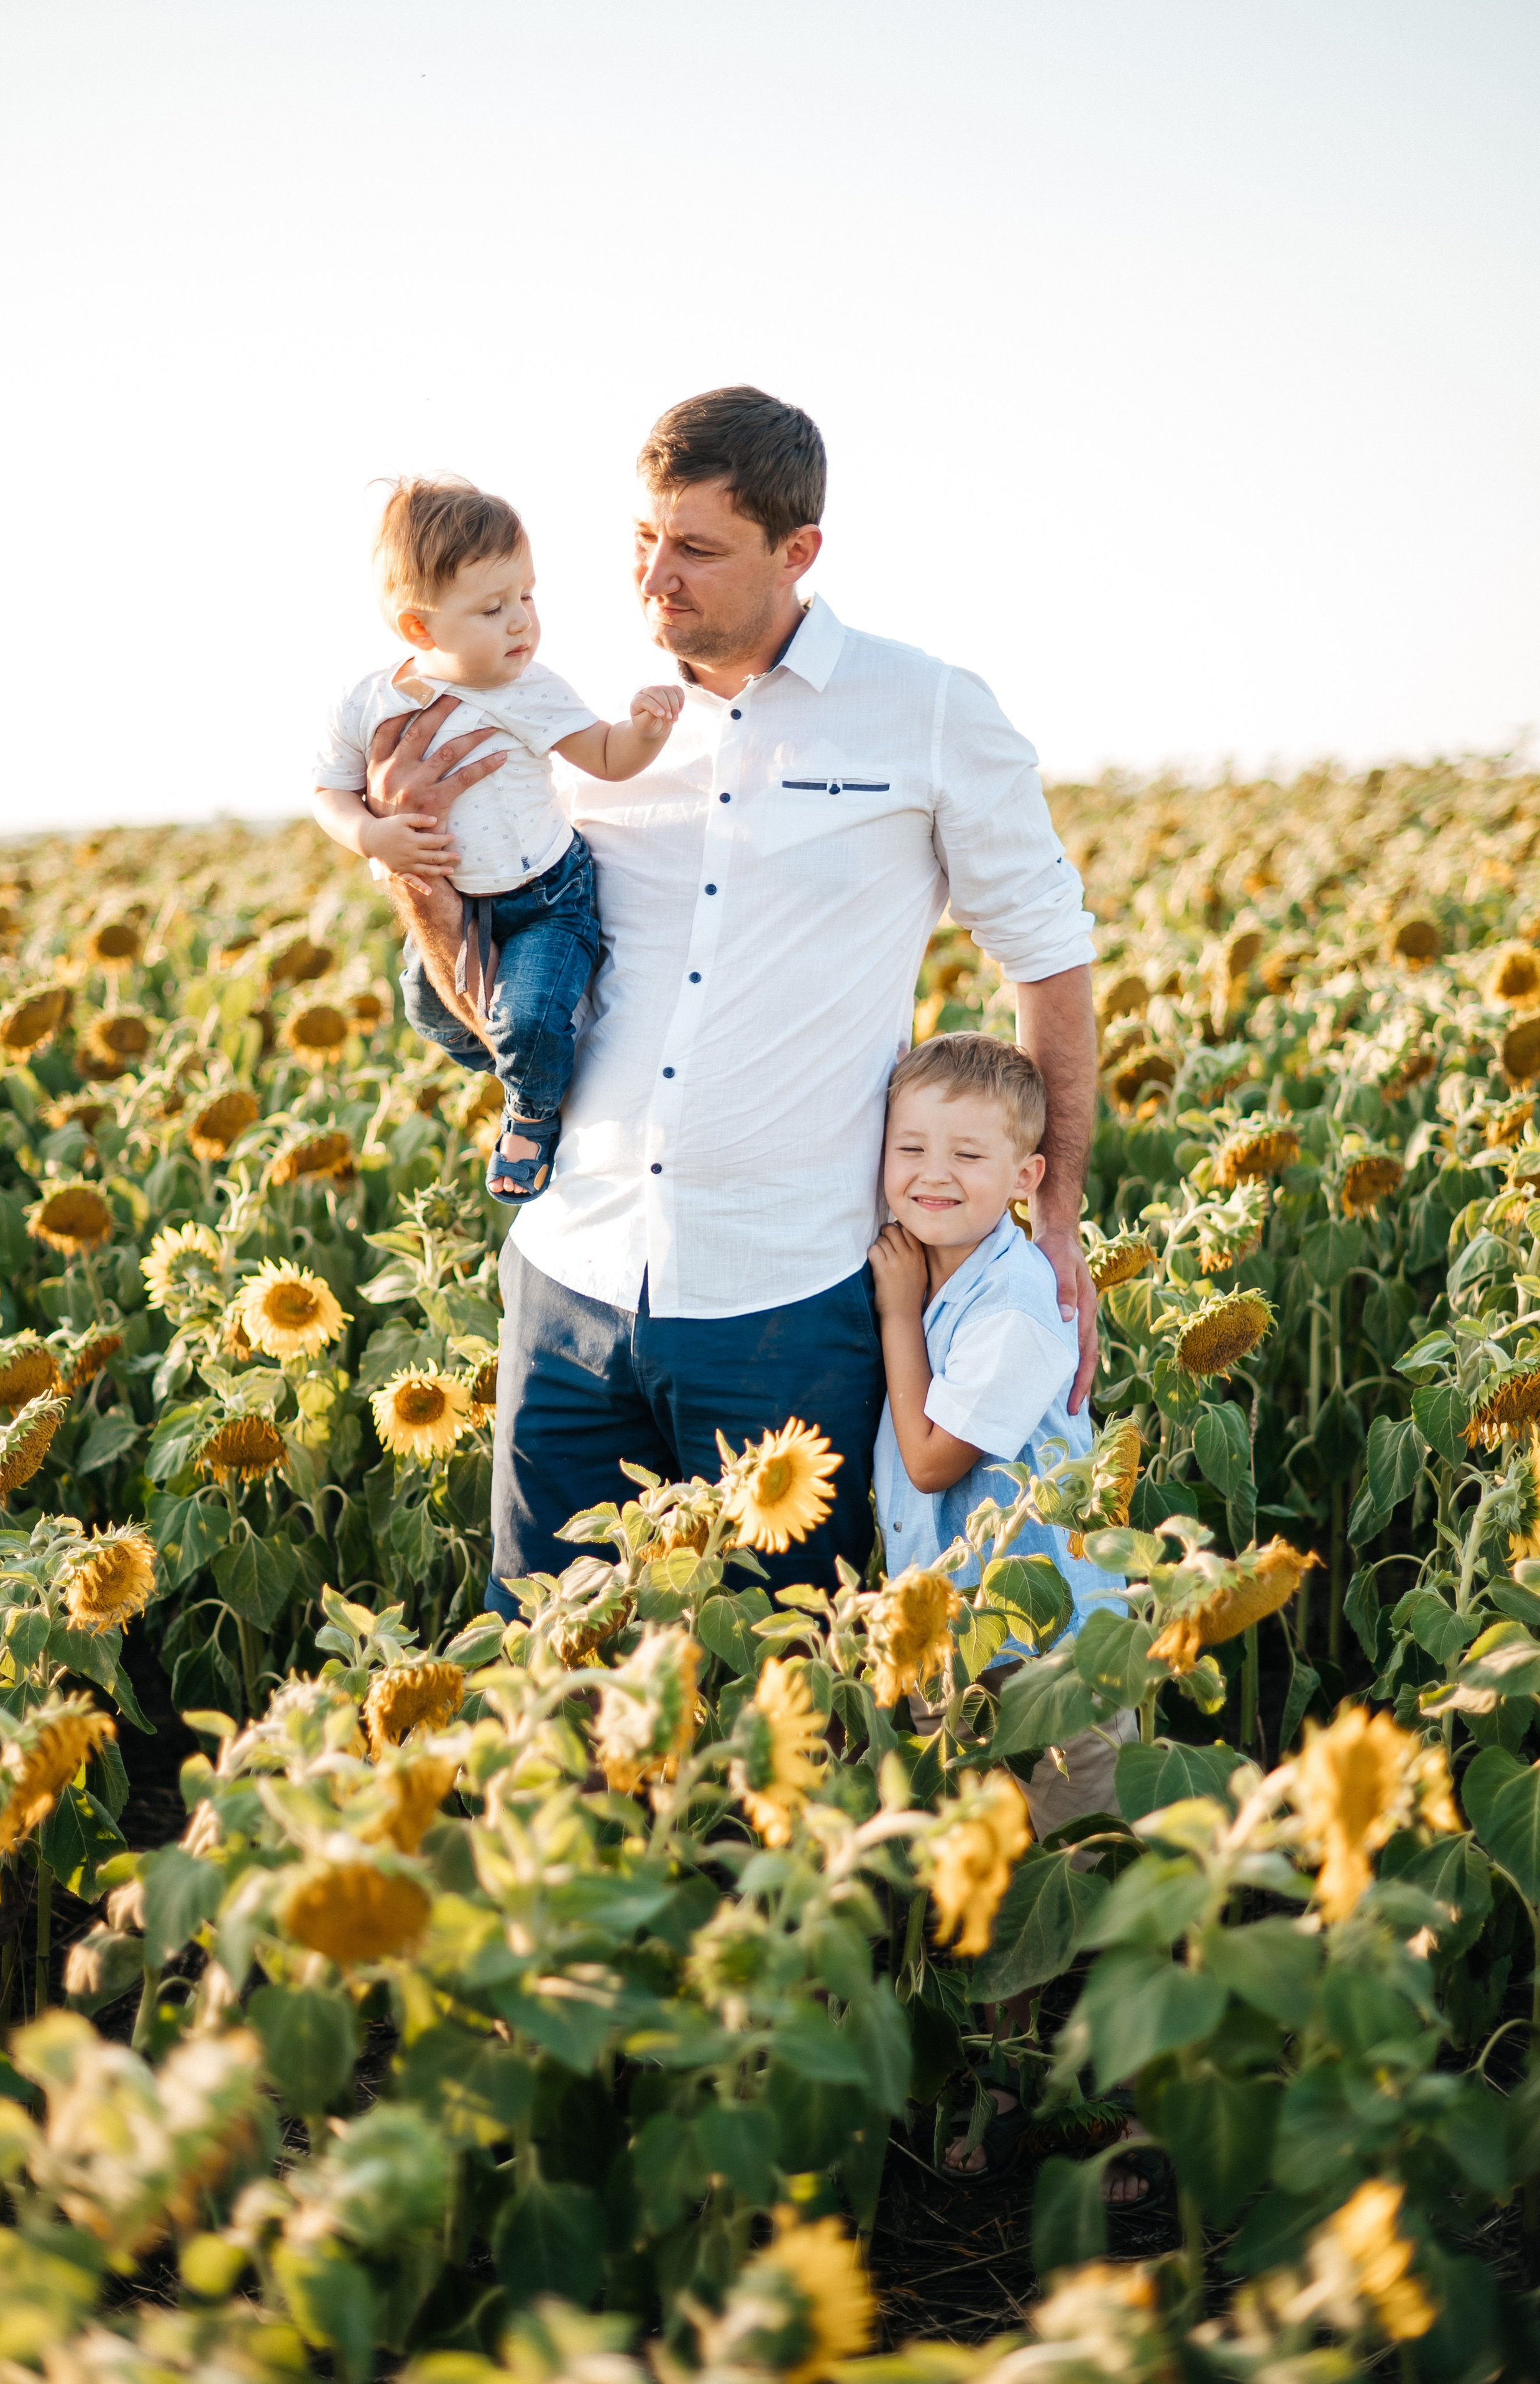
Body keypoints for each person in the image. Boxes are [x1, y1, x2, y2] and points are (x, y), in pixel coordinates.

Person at [362, 387, 1101, 1614]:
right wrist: (425, 905)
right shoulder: (581, 739)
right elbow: (497, 1018)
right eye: (641, 543)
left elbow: (1048, 961)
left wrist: (1057, 1216)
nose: (656, 579)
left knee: (776, 1685)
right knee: (553, 1675)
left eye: (697, 549)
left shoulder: (924, 711)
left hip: (787, 1298)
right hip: (569, 1276)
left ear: (796, 552)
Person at [869, 1035, 1153, 2201]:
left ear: (1028, 1179)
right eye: (911, 1148)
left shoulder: (1018, 1306)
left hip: (1058, 1657)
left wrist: (893, 1312)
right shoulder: (941, 1261)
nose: (932, 1174)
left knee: (1086, 1881)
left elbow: (935, 1459)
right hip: (964, 1642)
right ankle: (994, 2081)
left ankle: (1105, 2106)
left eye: (969, 1155)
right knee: (989, 1886)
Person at [311, 475, 684, 1201]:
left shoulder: (531, 689)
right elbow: (330, 791)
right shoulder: (366, 701)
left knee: (531, 1017)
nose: (522, 622)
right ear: (421, 629)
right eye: (492, 607)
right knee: (427, 1008)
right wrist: (372, 836)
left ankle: (534, 1113)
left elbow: (605, 757)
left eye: (527, 597)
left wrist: (643, 729)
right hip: (467, 909)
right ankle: (532, 1067)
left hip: (548, 896)